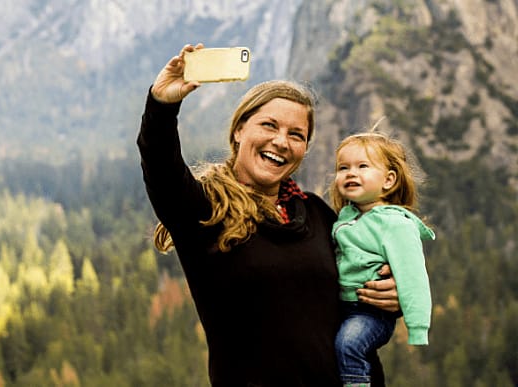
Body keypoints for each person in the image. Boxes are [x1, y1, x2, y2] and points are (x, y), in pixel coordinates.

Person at [137, 43, 400, 386]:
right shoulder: (204, 212)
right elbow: (161, 166)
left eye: (296, 135)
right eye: (269, 125)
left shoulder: (317, 213)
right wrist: (161, 104)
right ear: (239, 130)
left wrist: (389, 294)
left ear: (304, 149)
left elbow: (362, 275)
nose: (281, 141)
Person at [329, 131, 434, 386]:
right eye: (344, 168)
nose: (351, 173)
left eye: (362, 166)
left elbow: (413, 277)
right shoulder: (344, 218)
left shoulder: (396, 224)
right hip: (342, 307)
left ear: (388, 180)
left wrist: (417, 326)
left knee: (349, 343)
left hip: (372, 312)